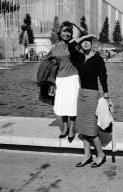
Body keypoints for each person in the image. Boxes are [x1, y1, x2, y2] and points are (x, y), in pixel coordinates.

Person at [68, 34, 109, 168]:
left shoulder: (98, 58)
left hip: (92, 95)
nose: (85, 43)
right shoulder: (79, 57)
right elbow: (70, 46)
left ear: (92, 43)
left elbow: (103, 77)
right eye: (83, 42)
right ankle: (87, 155)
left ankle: (101, 155)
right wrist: (84, 36)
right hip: (81, 94)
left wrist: (106, 95)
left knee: (91, 128)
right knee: (82, 127)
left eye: (88, 41)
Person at [51, 21, 80, 143]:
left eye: (69, 31)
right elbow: (53, 66)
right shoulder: (55, 47)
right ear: (60, 32)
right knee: (63, 105)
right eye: (65, 31)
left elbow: (84, 33)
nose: (67, 34)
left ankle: (72, 129)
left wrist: (73, 24)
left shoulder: (74, 45)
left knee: (72, 105)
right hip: (60, 80)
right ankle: (65, 128)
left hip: (73, 79)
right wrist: (51, 83)